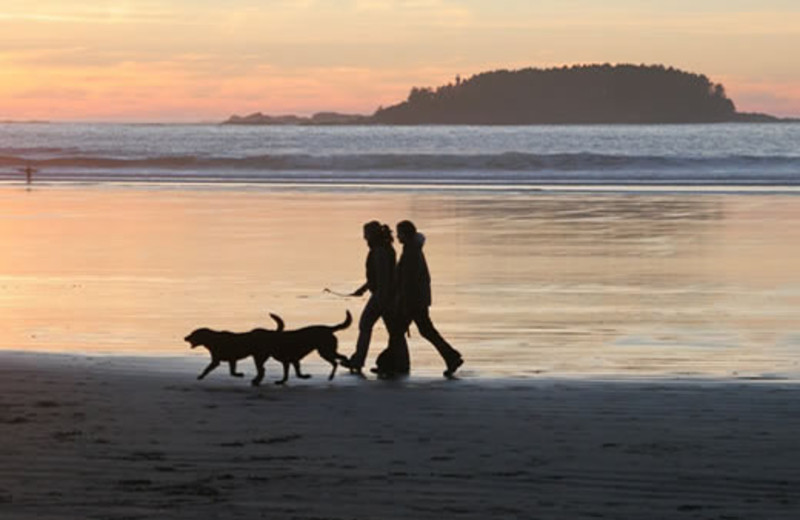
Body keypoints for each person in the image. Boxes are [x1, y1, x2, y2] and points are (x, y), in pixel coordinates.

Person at [374, 220, 463, 378]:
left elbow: (408, 280)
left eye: (399, 233)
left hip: (412, 301)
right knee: (424, 331)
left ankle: (387, 364)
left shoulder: (411, 252)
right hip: (417, 300)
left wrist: (400, 302)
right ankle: (451, 357)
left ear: (406, 234)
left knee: (398, 332)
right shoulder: (412, 249)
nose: (398, 236)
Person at [341, 221, 396, 374]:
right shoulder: (385, 248)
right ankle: (400, 363)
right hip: (386, 295)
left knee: (365, 325)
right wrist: (364, 289)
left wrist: (380, 298)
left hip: (381, 296)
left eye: (365, 233)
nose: (363, 236)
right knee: (394, 331)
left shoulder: (379, 251)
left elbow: (383, 277)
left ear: (371, 234)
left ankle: (358, 360)